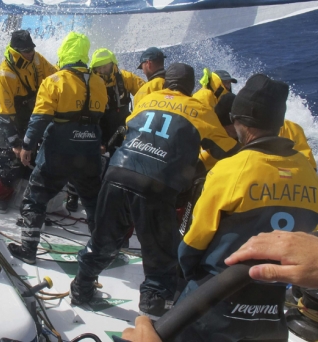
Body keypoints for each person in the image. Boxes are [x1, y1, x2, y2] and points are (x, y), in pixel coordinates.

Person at [71, 63, 240, 319]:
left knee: (104, 239)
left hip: (117, 173)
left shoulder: (147, 99)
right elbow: (227, 150)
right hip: (155, 185)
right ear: (190, 86)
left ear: (166, 82)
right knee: (160, 254)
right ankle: (151, 314)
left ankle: (81, 288)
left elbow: (130, 128)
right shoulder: (199, 109)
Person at [177, 74, 318, 341]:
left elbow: (195, 240)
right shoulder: (309, 173)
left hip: (219, 298)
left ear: (240, 120)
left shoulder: (230, 169)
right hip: (271, 304)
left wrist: (188, 274)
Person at [6, 32, 108, 265]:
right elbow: (101, 115)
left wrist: (27, 147)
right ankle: (102, 252)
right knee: (93, 202)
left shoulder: (54, 81)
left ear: (64, 54)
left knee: (35, 199)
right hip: (90, 150)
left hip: (58, 152)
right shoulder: (99, 83)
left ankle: (29, 250)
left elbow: (39, 119)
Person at [65, 48, 146, 212]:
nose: (102, 71)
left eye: (105, 67)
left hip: (121, 127)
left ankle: (109, 196)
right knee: (83, 160)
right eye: (99, 68)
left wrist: (139, 116)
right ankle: (72, 194)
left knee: (118, 162)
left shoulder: (125, 77)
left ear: (113, 65)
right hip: (96, 125)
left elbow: (145, 93)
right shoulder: (90, 82)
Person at [0, 30, 58, 213]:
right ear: (16, 51)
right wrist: (15, 143)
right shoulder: (4, 75)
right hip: (15, 118)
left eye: (32, 49)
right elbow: (4, 115)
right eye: (26, 50)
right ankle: (2, 196)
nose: (31, 53)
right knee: (16, 161)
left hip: (36, 113)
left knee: (35, 160)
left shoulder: (37, 59)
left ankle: (26, 199)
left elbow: (55, 76)